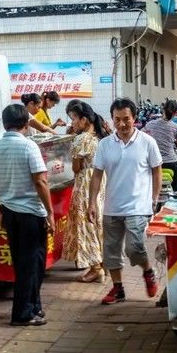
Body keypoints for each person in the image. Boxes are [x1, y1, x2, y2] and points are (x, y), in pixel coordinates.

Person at [88, 97, 162, 305]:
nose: (121, 124)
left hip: (138, 206)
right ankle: (117, 289)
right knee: (110, 251)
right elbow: (97, 175)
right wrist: (92, 202)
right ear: (111, 120)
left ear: (134, 118)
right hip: (111, 206)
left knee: (134, 247)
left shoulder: (147, 142)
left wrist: (154, 199)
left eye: (126, 119)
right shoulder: (104, 145)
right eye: (117, 119)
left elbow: (157, 170)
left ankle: (148, 271)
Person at [0, 103, 54, 326]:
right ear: (26, 123)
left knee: (24, 261)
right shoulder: (28, 147)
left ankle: (34, 305)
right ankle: (22, 313)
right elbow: (41, 181)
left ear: (5, 124)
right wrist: (50, 213)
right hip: (30, 213)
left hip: (10, 211)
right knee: (31, 263)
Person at [62, 100, 108, 282]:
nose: (72, 123)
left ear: (84, 119)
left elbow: (75, 167)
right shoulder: (101, 135)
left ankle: (96, 268)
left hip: (85, 182)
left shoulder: (81, 139)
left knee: (85, 223)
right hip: (101, 181)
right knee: (98, 223)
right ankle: (103, 263)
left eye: (74, 119)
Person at [143, 100, 177, 191]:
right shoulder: (176, 127)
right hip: (170, 162)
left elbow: (141, 135)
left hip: (153, 163)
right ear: (175, 113)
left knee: (148, 189)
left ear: (162, 110)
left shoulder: (150, 124)